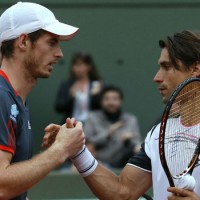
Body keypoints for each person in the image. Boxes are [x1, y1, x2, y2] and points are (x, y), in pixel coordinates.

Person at [43, 30, 200, 200]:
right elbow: (122, 192)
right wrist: (76, 149)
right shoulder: (159, 134)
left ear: (195, 69)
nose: (157, 77)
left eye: (167, 66)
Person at [0, 2, 85, 199]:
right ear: (23, 42)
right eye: (51, 42)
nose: (59, 54)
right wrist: (61, 149)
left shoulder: (15, 100)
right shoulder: (2, 97)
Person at [84, 86, 141, 168]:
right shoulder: (93, 118)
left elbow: (137, 146)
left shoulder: (130, 120)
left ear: (120, 101)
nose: (111, 102)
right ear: (101, 101)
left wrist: (128, 141)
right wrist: (108, 133)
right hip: (99, 164)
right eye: (107, 99)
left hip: (125, 164)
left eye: (115, 99)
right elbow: (87, 142)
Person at [54, 52, 102, 124]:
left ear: (88, 66)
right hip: (71, 125)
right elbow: (59, 108)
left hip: (92, 126)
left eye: (79, 65)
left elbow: (102, 108)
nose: (76, 68)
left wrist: (96, 95)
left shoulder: (96, 85)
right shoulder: (67, 85)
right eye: (74, 65)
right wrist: (71, 97)